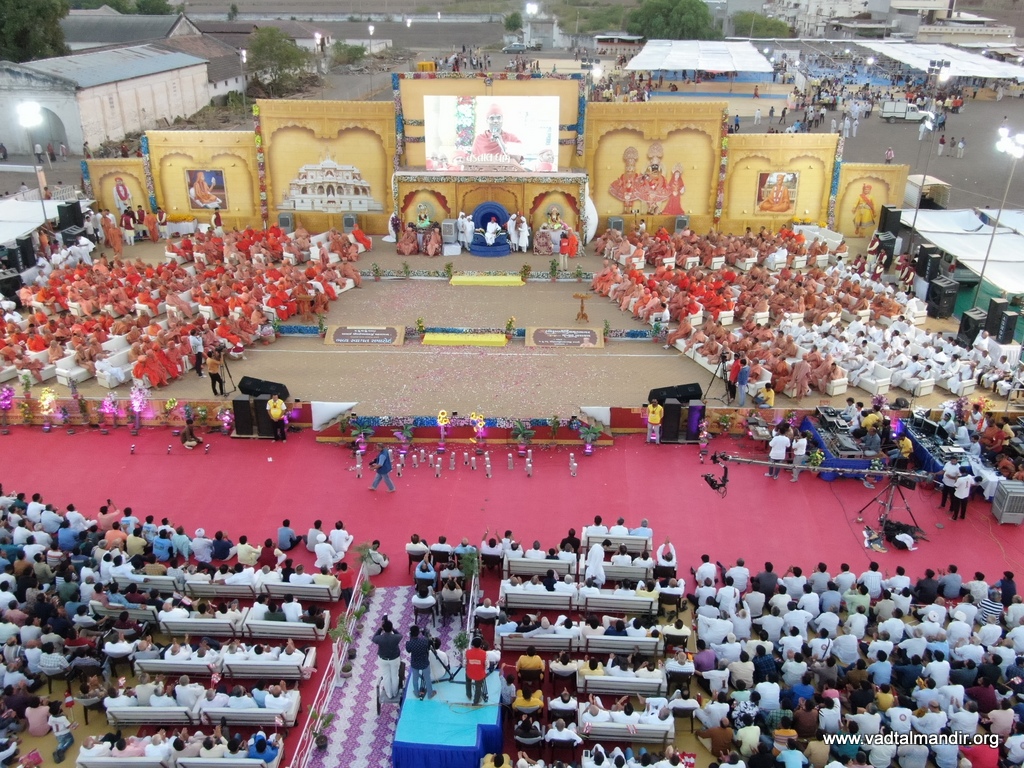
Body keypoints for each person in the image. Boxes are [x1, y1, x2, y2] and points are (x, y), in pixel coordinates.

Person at [371, 617, 402, 699]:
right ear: (391, 628)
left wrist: (380, 629)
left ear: (383, 629)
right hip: (394, 659)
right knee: (395, 676)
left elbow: (374, 638)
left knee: (386, 676)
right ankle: (395, 693)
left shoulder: (380, 638)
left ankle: (389, 694)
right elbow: (400, 635)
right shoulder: (395, 637)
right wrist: (393, 629)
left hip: (383, 659)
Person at [406, 625, 435, 699]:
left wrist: (411, 639)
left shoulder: (409, 643)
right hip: (424, 662)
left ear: (411, 634)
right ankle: (430, 694)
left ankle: (416, 693)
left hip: (415, 663)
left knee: (415, 679)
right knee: (427, 679)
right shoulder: (424, 641)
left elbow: (408, 650)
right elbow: (429, 644)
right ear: (418, 632)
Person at [465, 636, 488, 705]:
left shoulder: (467, 652)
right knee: (478, 687)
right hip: (479, 675)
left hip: (469, 672)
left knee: (468, 682)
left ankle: (468, 695)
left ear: (472, 644)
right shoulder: (484, 654)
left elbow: (465, 663)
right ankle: (476, 701)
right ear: (481, 645)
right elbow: (487, 665)